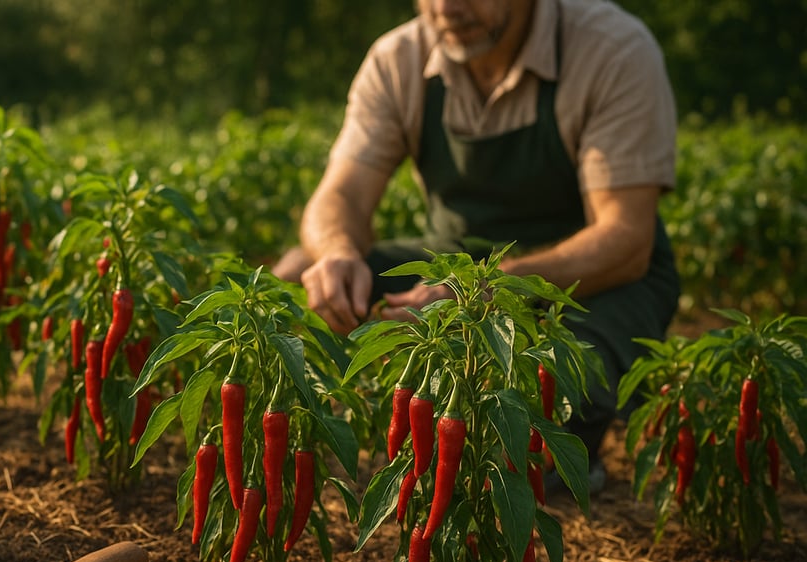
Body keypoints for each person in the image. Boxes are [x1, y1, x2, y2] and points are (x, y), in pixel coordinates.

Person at [273, 0, 680, 493]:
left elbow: (624, 239)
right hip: (456, 262)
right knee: (299, 278)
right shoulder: (400, 57)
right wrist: (337, 252)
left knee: (548, 402)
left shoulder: (610, 50)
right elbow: (339, 196)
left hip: (587, 284)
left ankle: (564, 457)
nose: (446, 6)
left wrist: (479, 292)